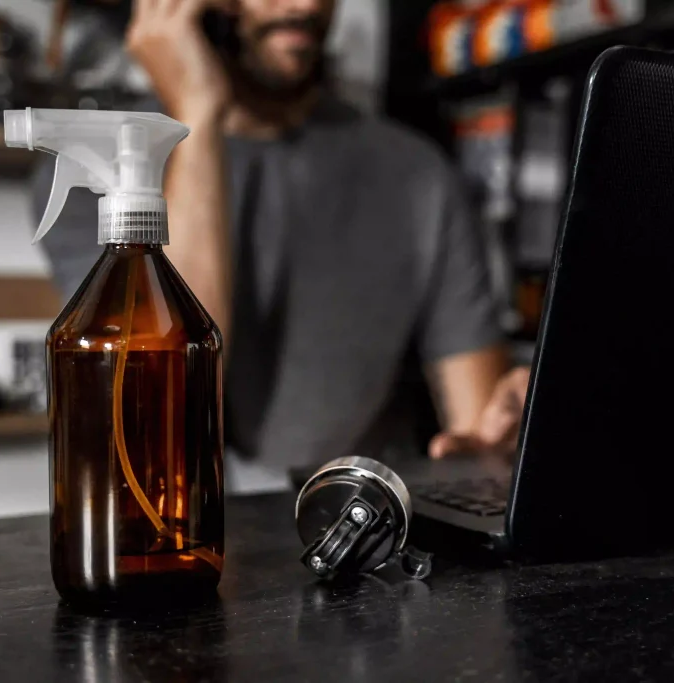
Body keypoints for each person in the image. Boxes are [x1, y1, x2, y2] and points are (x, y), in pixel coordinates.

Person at [33, 0, 530, 489]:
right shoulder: (99, 169)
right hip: (184, 520)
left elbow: (480, 434)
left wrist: (511, 426)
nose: (305, 5)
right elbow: (165, 403)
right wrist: (197, 118)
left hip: (359, 515)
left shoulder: (419, 174)